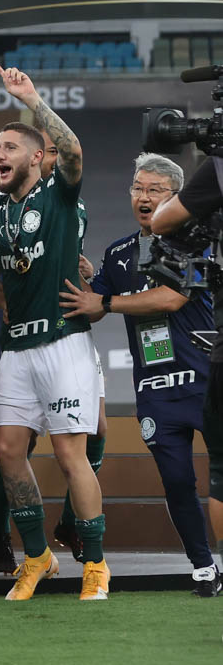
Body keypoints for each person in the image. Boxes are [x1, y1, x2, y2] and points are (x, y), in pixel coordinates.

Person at [0, 66, 107, 601]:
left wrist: (31, 99)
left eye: (10, 148)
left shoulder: (59, 197)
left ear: (35, 158)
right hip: (16, 346)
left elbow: (74, 152)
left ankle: (94, 564)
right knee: (6, 448)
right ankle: (38, 558)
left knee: (71, 454)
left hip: (63, 341)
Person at [59, 153, 222, 597]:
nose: (144, 197)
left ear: (177, 198)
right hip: (154, 390)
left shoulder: (198, 239)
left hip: (208, 382)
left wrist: (106, 304)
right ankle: (204, 568)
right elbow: (90, 308)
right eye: (138, 188)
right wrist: (85, 279)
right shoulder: (118, 253)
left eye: (155, 190)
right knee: (176, 482)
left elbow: (171, 298)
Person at [151, 145, 223, 580]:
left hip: (211, 368)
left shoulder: (216, 169)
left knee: (220, 471)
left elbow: (163, 221)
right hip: (164, 388)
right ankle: (202, 567)